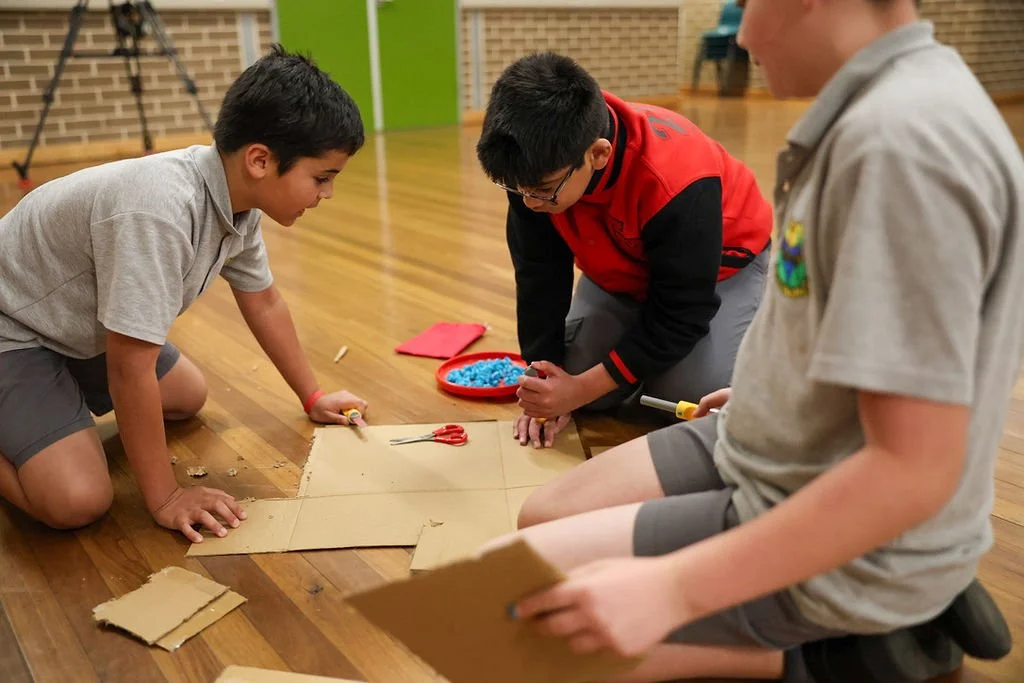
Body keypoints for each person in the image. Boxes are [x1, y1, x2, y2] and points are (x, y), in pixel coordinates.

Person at [486, 1, 1022, 680]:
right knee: (540, 521)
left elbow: (912, 469)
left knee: (533, 624)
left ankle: (850, 638)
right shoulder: (876, 113)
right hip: (770, 436)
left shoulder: (900, 148)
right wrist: (768, 390)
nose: (737, 33)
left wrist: (673, 587)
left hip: (833, 516)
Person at [0, 46, 369, 545]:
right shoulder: (158, 210)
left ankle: (49, 402)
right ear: (259, 159)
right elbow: (129, 367)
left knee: (185, 395)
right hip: (16, 328)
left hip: (71, 325)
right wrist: (166, 496)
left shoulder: (239, 204)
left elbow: (263, 301)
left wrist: (314, 395)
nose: (326, 194)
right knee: (77, 501)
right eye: (321, 178)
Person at [476, 52, 773, 449]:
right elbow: (538, 277)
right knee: (579, 383)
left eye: (543, 191)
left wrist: (581, 389)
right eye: (517, 190)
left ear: (598, 154)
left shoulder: (677, 178)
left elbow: (683, 311)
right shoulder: (533, 173)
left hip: (721, 272)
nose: (529, 203)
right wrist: (544, 385)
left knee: (688, 402)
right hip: (620, 270)